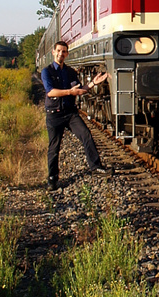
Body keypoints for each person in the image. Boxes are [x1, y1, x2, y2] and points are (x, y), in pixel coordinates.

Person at [40, 41, 110, 190]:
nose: (61, 54)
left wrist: (92, 84)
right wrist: (69, 92)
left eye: (64, 51)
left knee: (86, 135)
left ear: (67, 54)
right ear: (53, 52)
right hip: (54, 114)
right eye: (58, 51)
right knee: (54, 147)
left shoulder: (71, 72)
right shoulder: (47, 71)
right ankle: (52, 179)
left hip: (70, 113)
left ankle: (96, 167)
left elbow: (79, 89)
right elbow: (50, 92)